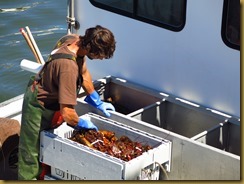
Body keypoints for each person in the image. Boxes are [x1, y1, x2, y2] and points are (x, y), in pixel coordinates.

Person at [18, 25, 116, 180]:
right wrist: (82, 124)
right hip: (38, 104)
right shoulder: (68, 68)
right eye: (101, 55)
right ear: (91, 49)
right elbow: (68, 113)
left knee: (47, 150)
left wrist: (95, 99)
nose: (102, 59)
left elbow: (83, 72)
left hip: (53, 98)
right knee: (31, 155)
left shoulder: (74, 40)